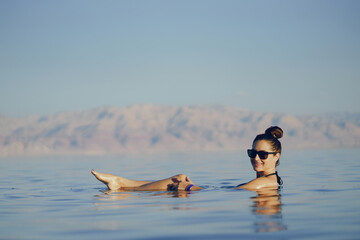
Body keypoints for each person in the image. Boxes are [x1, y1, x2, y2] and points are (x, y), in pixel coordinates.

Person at [91, 126, 283, 191]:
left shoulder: (264, 183)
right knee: (180, 179)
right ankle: (122, 183)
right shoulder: (266, 181)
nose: (256, 158)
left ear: (277, 157)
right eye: (253, 153)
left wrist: (191, 188)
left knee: (181, 181)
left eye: (263, 155)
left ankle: (122, 185)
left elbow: (234, 193)